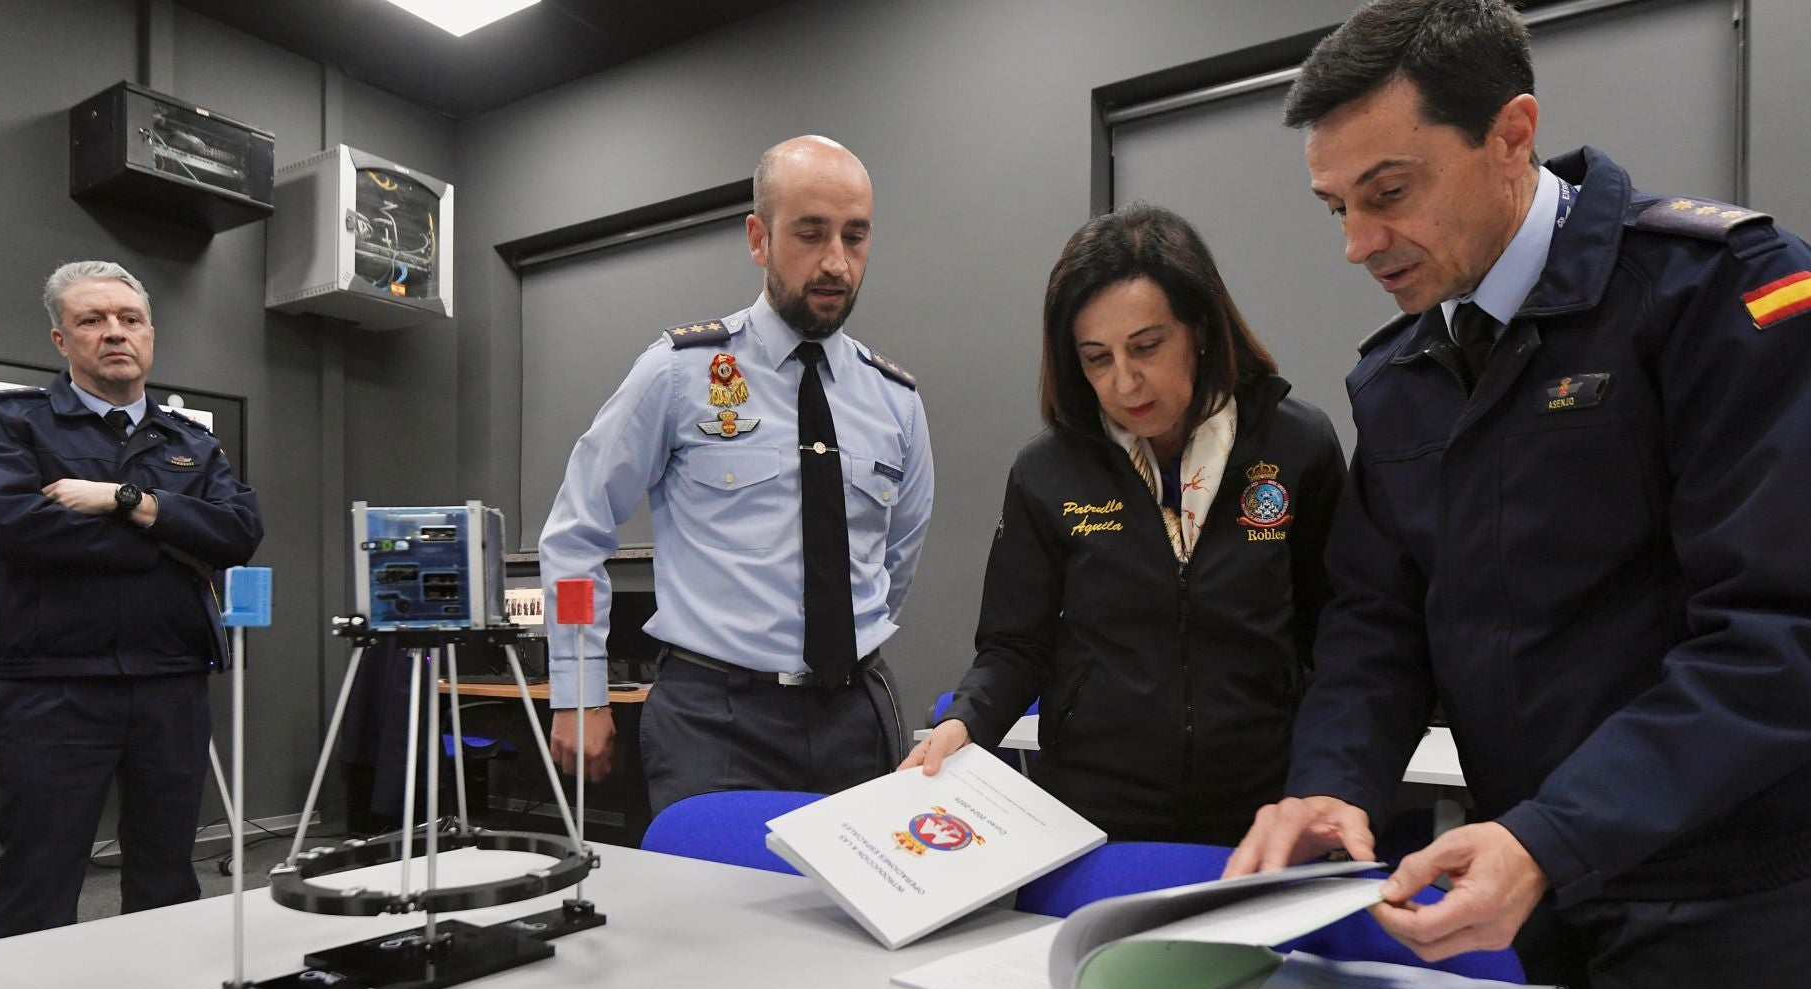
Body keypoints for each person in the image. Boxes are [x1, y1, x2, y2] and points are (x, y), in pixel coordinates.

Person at [1224, 0, 1811, 989]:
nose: (1360, 244)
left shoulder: (1717, 294)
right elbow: (1377, 621)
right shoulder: (1400, 374)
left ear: (1512, 135)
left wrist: (1557, 834)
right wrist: (1333, 782)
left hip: (1724, 896)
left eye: (1389, 191)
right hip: (1521, 890)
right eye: (1337, 208)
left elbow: (1778, 629)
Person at [903, 206, 1344, 843]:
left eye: (1146, 346)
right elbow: (1014, 646)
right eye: (1096, 358)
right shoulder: (1048, 471)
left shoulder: (1298, 444)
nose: (1124, 381)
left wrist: (1326, 779)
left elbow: (1335, 636)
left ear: (1198, 328)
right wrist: (965, 720)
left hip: (1263, 814)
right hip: (1093, 817)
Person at [539, 135, 933, 813]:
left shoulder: (895, 401)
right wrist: (580, 689)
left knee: (861, 917)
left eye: (855, 235)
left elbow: (893, 565)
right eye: (810, 234)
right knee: (710, 914)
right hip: (714, 722)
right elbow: (576, 534)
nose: (837, 261)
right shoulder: (679, 372)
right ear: (758, 237)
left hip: (855, 722)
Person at [0, 260, 263, 937]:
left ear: (150, 334)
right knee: (40, 876)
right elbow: (19, 528)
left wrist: (123, 499)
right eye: (91, 320)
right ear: (60, 340)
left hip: (171, 683)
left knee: (167, 874)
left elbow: (241, 532)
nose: (114, 333)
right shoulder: (11, 424)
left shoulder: (192, 440)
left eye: (129, 319)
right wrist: (171, 534)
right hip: (53, 687)